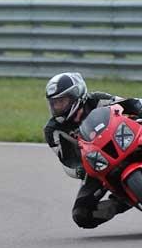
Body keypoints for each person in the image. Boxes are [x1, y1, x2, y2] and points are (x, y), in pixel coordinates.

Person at [44, 72, 142, 229]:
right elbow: (67, 161)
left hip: (122, 140)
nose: (57, 107)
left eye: (61, 101)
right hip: (96, 163)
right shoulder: (53, 130)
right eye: (54, 103)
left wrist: (139, 109)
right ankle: (121, 201)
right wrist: (82, 170)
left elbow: (128, 104)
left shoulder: (97, 99)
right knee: (81, 214)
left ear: (76, 95)